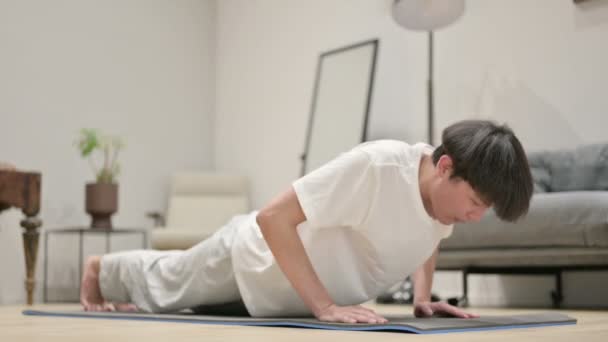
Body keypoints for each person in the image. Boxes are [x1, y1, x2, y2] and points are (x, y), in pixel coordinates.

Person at [80, 119, 533, 324]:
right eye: (475, 202)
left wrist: (422, 298)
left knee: (180, 299)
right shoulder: (377, 168)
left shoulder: (441, 201)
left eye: (485, 210)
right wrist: (326, 308)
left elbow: (427, 233)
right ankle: (101, 268)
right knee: (165, 286)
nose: (475, 216)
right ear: (446, 167)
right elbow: (273, 216)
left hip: (285, 297)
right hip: (250, 260)